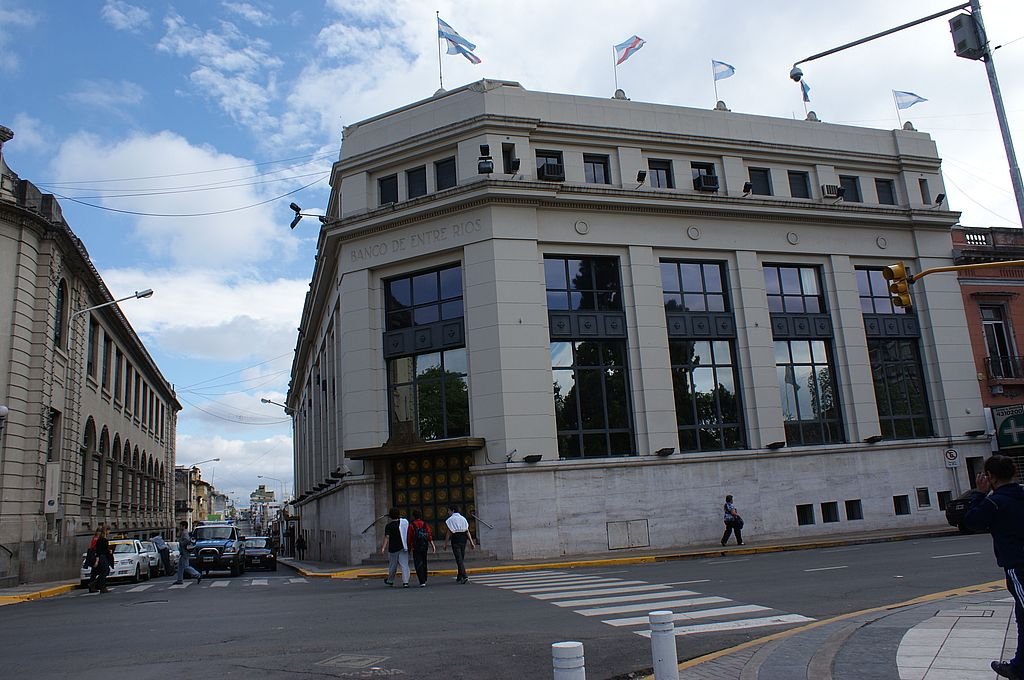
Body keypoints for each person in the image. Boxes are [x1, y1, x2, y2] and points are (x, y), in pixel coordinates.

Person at [964, 455, 1024, 680]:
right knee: (1021, 616)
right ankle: (1018, 667)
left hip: (1018, 565)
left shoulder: (995, 502)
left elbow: (970, 521)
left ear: (990, 477)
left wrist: (979, 493)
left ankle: (1019, 668)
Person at [443, 505, 475, 584]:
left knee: (459, 558)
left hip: (455, 538)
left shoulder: (450, 519)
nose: (448, 512)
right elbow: (467, 531)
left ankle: (464, 576)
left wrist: (445, 543)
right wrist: (471, 542)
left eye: (449, 510)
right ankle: (459, 576)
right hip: (463, 538)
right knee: (461, 557)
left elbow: (449, 532)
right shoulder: (463, 518)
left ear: (453, 510)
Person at [380, 508, 410, 588]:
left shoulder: (388, 526)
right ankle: (405, 582)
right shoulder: (404, 523)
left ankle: (390, 580)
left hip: (393, 548)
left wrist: (383, 547)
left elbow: (387, 537)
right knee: (404, 565)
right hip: (403, 546)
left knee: (392, 566)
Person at [406, 510, 435, 587]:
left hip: (416, 546)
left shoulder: (411, 525)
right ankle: (424, 577)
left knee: (418, 563)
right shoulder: (424, 524)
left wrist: (409, 548)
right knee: (424, 561)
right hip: (424, 545)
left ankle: (421, 580)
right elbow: (429, 534)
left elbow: (409, 538)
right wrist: (432, 545)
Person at [173, 521, 202, 585]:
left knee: (186, 567)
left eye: (180, 526)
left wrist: (181, 543)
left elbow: (187, 540)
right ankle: (179, 580)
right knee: (180, 566)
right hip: (183, 552)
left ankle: (197, 575)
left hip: (185, 553)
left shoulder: (184, 532)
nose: (179, 527)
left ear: (183, 526)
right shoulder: (183, 532)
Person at [88, 525, 112, 593]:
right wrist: (97, 560)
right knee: (105, 571)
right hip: (102, 557)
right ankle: (97, 585)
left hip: (102, 557)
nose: (109, 532)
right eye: (108, 531)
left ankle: (101, 586)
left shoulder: (101, 539)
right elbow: (100, 550)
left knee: (104, 571)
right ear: (106, 531)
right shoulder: (102, 539)